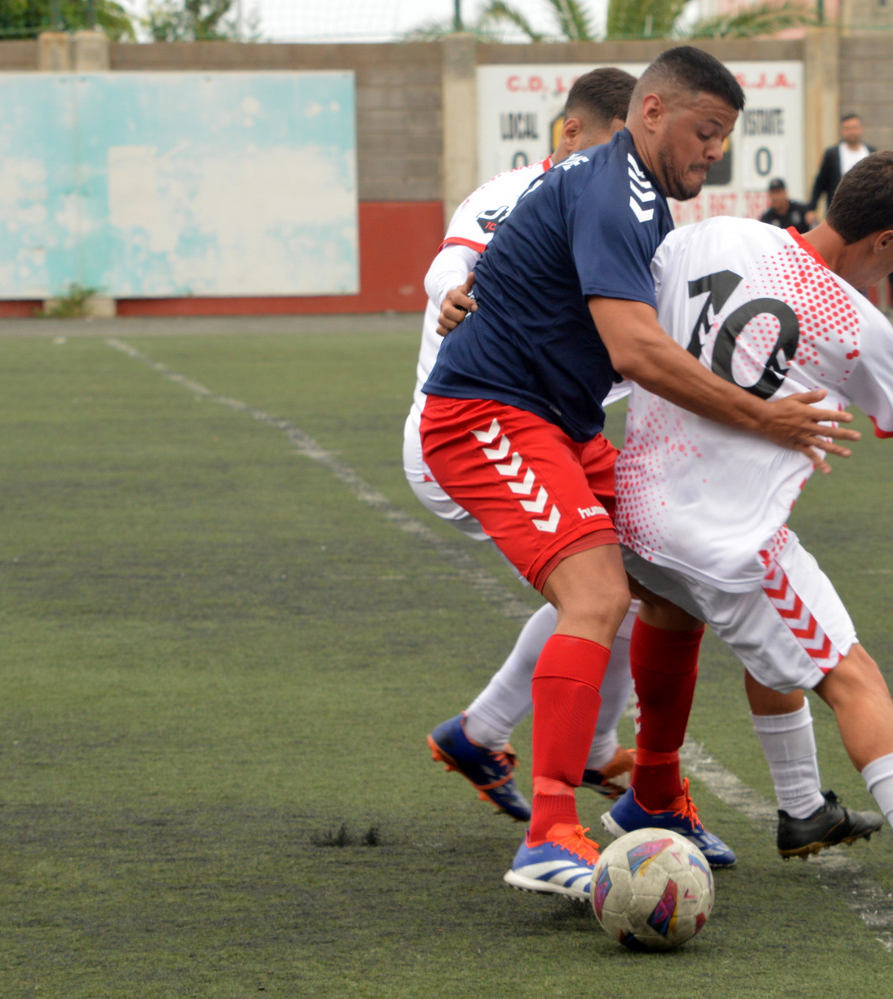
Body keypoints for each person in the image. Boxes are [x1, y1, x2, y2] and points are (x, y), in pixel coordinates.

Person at [417, 46, 859, 899]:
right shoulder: (616, 191)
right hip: (486, 414)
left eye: (725, 138)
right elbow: (637, 350)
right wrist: (763, 415)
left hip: (560, 422)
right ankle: (548, 832)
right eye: (706, 131)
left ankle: (653, 794)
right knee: (595, 595)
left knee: (673, 569)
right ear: (651, 112)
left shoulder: (640, 198)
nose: (713, 152)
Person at [611, 151, 893, 919]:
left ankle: (782, 805)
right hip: (729, 541)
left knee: (699, 622)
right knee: (852, 674)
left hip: (636, 510)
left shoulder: (715, 236)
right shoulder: (859, 326)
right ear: (882, 240)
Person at [405, 69, 640, 824]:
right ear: (569, 133)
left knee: (641, 571)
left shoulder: (621, 212)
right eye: (610, 147)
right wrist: (452, 289)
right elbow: (454, 259)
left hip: (552, 427)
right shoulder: (514, 192)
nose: (616, 169)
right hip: (473, 422)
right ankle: (563, 786)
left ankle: (492, 733)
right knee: (595, 587)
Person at [807, 113, 893, 307]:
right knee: (842, 259)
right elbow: (820, 183)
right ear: (842, 131)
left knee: (881, 252)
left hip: (872, 217)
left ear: (860, 129)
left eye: (855, 127)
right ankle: (835, 301)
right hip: (841, 218)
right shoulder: (833, 154)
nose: (852, 132)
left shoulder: (872, 152)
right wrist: (812, 206)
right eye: (848, 128)